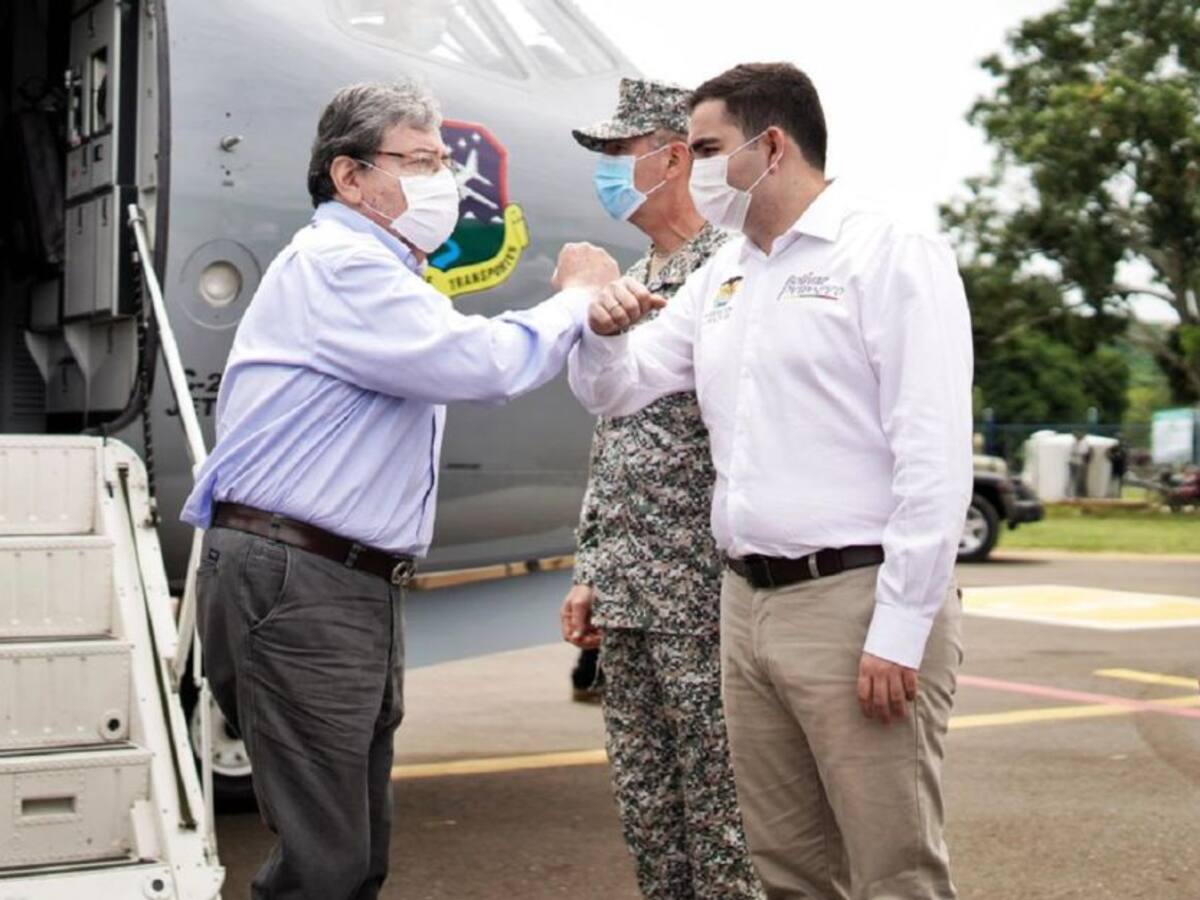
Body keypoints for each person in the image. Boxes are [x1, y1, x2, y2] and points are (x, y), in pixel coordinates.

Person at [181, 80, 626, 900]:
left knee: (355, 852)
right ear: (350, 179)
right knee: (327, 863)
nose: (443, 184)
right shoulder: (343, 263)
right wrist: (573, 299)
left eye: (442, 165)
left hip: (337, 577)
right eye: (420, 162)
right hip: (302, 578)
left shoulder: (378, 271)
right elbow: (478, 364)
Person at [569, 62, 973, 899]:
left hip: (853, 599)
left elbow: (933, 460)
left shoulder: (887, 254)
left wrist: (900, 627)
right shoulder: (727, 274)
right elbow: (620, 386)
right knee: (785, 866)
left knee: (891, 864)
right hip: (745, 605)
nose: (696, 167)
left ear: (773, 145)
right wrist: (600, 325)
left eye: (709, 148)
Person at [559, 77, 762, 899]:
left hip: (703, 594)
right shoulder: (642, 273)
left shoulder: (733, 267)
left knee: (724, 822)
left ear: (673, 157)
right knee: (651, 816)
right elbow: (614, 437)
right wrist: (590, 566)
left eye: (618, 152)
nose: (606, 170)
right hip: (633, 593)